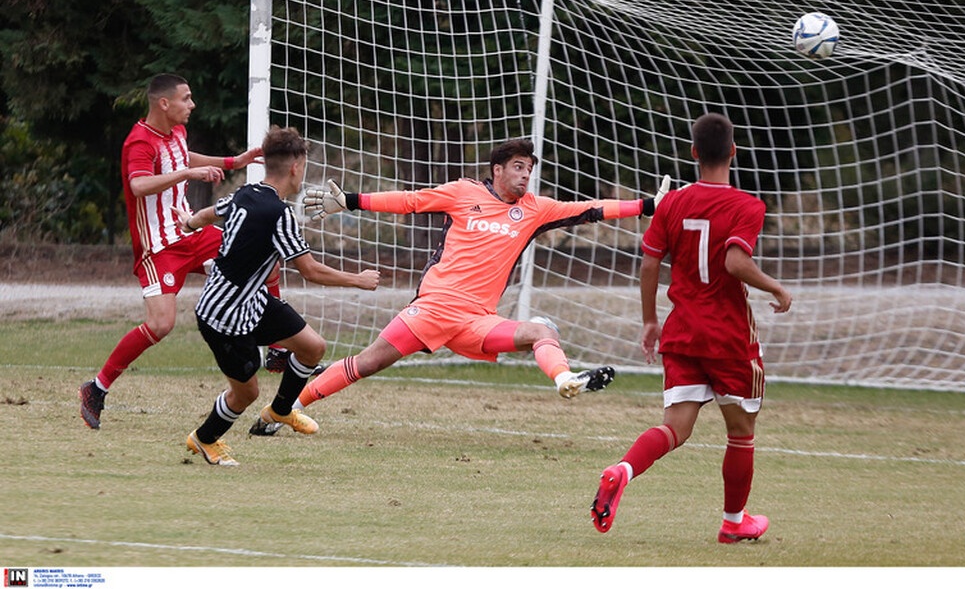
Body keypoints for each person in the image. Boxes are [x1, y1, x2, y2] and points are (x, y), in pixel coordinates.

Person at [272, 138, 670, 429]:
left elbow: (592, 210)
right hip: (433, 308)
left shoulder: (536, 210)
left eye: (529, 169)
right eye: (518, 167)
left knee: (542, 330)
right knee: (368, 362)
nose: (525, 175)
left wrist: (648, 205)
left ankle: (566, 380)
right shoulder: (463, 192)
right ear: (498, 169)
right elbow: (410, 200)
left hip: (477, 321)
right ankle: (284, 410)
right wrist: (352, 200)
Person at [590, 112, 792, 543]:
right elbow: (734, 261)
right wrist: (775, 286)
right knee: (741, 433)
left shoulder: (673, 203)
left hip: (681, 332)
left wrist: (650, 320)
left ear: (694, 153)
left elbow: (649, 263)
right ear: (733, 151)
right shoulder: (747, 206)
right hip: (728, 337)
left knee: (675, 428)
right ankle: (733, 523)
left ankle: (623, 469)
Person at [179, 125, 380, 466]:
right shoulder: (280, 214)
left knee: (312, 347)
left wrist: (189, 223)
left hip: (251, 303)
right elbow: (310, 270)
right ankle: (204, 438)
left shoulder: (246, 193)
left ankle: (280, 410)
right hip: (223, 317)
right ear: (295, 167)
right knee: (246, 393)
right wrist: (358, 280)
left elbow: (211, 213)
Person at [78, 74, 263, 429]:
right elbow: (139, 185)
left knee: (255, 253)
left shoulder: (176, 131)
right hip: (159, 247)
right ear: (164, 103)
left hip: (190, 230)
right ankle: (96, 388)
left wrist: (235, 161)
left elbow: (181, 156)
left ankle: (281, 352)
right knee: (161, 324)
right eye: (186, 98)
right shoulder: (139, 141)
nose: (192, 104)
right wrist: (188, 174)